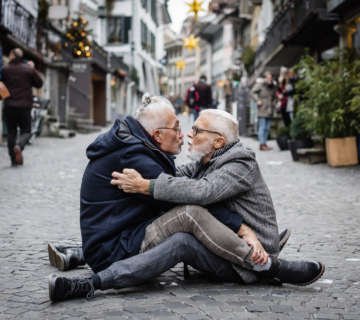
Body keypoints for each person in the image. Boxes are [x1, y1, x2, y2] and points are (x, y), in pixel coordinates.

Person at [48, 104, 324, 302]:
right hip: (219, 247)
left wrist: (149, 185)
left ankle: (268, 267)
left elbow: (202, 193)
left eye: (196, 130)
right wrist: (155, 181)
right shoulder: (205, 161)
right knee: (182, 237)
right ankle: (89, 276)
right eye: (185, 129)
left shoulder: (240, 162)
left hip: (246, 257)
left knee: (189, 214)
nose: (189, 135)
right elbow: (178, 182)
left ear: (218, 141)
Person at [2, 48, 43, 166]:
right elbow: (39, 83)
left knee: (11, 132)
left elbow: (0, 84)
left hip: (9, 106)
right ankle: (19, 146)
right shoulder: (28, 70)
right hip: (24, 106)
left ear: (13, 56)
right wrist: (33, 69)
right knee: (26, 131)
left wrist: (5, 96)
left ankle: (13, 160)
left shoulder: (5, 70)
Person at [251, 71, 276, 151]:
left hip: (269, 109)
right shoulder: (260, 85)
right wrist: (257, 100)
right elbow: (252, 92)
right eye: (268, 77)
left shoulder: (273, 86)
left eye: (270, 78)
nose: (269, 79)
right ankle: (262, 144)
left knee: (267, 128)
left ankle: (264, 143)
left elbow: (274, 97)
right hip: (262, 108)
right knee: (262, 127)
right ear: (265, 78)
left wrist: (274, 104)